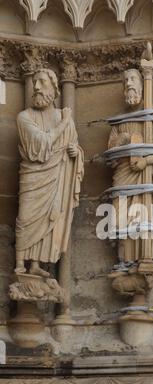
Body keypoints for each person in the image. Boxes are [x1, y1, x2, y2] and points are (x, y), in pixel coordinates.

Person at [15, 68, 84, 277]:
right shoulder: (24, 117)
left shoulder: (64, 118)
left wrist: (76, 154)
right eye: (34, 82)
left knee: (48, 219)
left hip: (56, 179)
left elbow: (74, 148)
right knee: (25, 217)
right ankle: (20, 263)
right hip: (33, 177)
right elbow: (41, 145)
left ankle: (35, 264)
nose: (35, 87)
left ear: (54, 89)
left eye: (41, 82)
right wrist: (64, 123)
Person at [108, 69, 153, 270]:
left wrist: (145, 161)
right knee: (121, 215)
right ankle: (124, 259)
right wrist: (123, 140)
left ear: (142, 85)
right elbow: (111, 152)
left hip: (144, 174)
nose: (129, 83)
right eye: (125, 80)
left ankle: (146, 257)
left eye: (133, 79)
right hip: (123, 174)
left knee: (143, 215)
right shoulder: (119, 121)